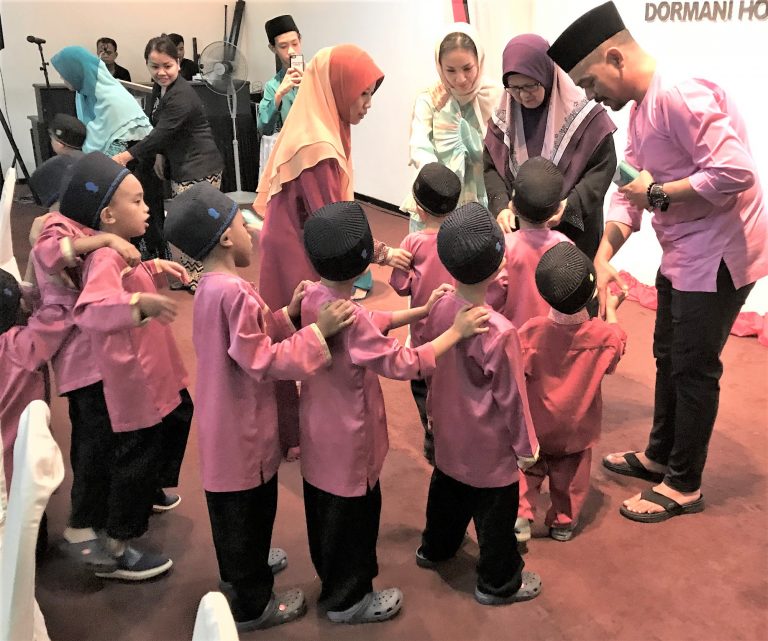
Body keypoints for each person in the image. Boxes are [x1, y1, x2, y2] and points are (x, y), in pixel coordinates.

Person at [548, 1, 768, 522]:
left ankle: (685, 484)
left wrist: (661, 194)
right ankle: (660, 455)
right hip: (684, 249)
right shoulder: (641, 109)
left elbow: (736, 171)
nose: (591, 95)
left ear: (615, 58)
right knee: (668, 352)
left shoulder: (678, 94)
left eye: (590, 82)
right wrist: (603, 255)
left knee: (693, 367)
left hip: (719, 253)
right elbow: (630, 190)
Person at [164, 183, 355, 631]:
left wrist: (289, 314)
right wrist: (318, 333)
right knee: (246, 512)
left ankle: (244, 565)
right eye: (243, 223)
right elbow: (261, 360)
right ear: (225, 238)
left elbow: (245, 339)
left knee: (237, 515)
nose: (251, 232)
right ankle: (253, 604)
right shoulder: (236, 293)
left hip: (223, 427)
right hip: (242, 432)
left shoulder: (211, 287)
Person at [299, 201, 489, 623]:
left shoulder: (315, 296)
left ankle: (335, 586)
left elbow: (373, 317)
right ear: (363, 261)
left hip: (318, 435)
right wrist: (454, 332)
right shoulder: (351, 320)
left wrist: (422, 310)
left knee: (326, 518)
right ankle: (350, 601)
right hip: (350, 441)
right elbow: (405, 362)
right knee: (354, 522)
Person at [63, 152, 192, 579]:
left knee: (173, 420)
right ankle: (117, 544)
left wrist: (153, 269)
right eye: (136, 201)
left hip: (147, 370)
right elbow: (93, 308)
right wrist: (139, 303)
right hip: (132, 379)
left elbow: (125, 280)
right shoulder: (105, 256)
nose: (147, 208)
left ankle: (144, 492)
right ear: (108, 216)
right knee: (136, 453)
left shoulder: (119, 252)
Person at [417, 202, 541, 606]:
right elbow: (511, 397)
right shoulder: (500, 331)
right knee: (496, 519)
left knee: (446, 495)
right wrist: (526, 447)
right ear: (499, 265)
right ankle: (497, 582)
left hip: (448, 433)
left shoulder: (439, 305)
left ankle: (435, 548)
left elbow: (429, 360)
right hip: (488, 450)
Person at [254, 44, 410, 311]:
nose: (368, 103)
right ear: (338, 89)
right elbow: (335, 223)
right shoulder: (317, 147)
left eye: (371, 93)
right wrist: (384, 254)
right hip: (297, 248)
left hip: (295, 236)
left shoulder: (317, 126)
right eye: (362, 93)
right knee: (307, 324)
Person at [516, 242, 627, 544]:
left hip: (536, 425)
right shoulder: (603, 336)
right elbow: (617, 346)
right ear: (591, 294)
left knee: (527, 471)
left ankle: (521, 514)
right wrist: (612, 312)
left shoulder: (531, 332)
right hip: (576, 431)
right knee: (571, 481)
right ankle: (563, 523)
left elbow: (515, 369)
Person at [484, 33, 617, 259]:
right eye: (514, 88)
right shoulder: (503, 121)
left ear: (546, 74)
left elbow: (602, 167)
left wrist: (570, 206)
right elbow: (492, 167)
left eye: (530, 86)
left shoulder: (586, 117)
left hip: (575, 231)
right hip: (523, 232)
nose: (523, 96)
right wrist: (501, 207)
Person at [113, 35, 224, 290]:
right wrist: (161, 155)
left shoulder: (182, 94)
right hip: (181, 163)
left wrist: (124, 157)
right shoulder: (159, 89)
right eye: (154, 66)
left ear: (178, 63)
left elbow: (161, 134)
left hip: (199, 166)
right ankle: (191, 274)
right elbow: (160, 128)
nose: (161, 72)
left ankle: (202, 279)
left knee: (194, 223)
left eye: (168, 66)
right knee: (186, 222)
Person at [49, 46, 164, 260]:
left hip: (133, 177)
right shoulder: (87, 96)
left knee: (136, 230)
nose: (64, 81)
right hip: (116, 176)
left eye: (65, 76)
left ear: (78, 73)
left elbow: (127, 150)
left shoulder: (113, 100)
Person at [389, 162, 460, 464]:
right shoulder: (462, 238)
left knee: (423, 387)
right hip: (458, 333)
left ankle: (433, 441)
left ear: (418, 208)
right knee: (456, 386)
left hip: (424, 336)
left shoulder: (412, 242)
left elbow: (400, 286)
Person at [404, 23, 499, 233]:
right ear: (440, 67)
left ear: (479, 61)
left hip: (483, 190)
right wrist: (436, 184)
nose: (460, 79)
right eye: (450, 70)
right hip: (438, 191)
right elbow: (419, 145)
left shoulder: (494, 95)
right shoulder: (431, 98)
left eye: (467, 68)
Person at [486, 157, 573, 329]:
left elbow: (490, 302)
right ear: (558, 210)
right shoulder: (566, 245)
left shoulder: (505, 248)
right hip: (553, 337)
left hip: (514, 338)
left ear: (512, 205)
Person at [50, 46, 151, 156]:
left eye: (64, 74)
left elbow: (118, 155)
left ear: (76, 73)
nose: (61, 77)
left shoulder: (113, 100)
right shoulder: (84, 93)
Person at [257, 15, 303, 135]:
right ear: (273, 48)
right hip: (290, 144)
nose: (291, 51)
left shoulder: (317, 75)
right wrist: (279, 95)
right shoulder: (273, 86)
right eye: (283, 46)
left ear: (300, 40)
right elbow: (263, 129)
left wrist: (310, 85)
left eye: (295, 44)